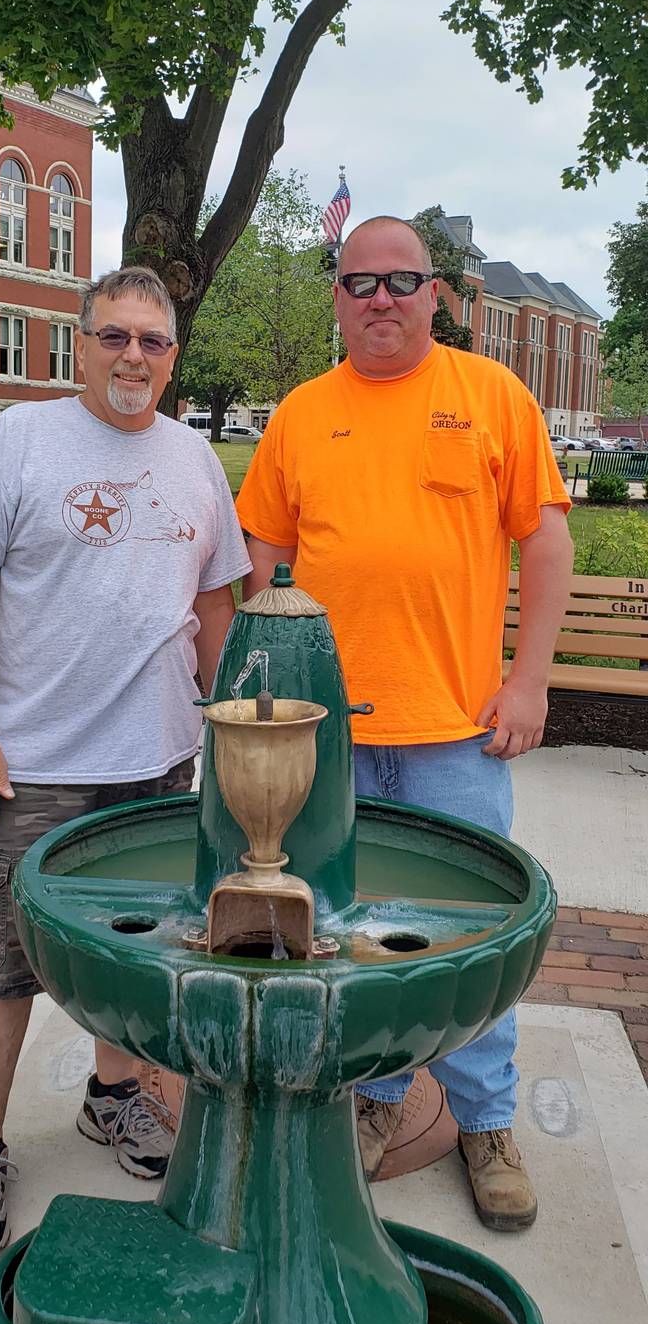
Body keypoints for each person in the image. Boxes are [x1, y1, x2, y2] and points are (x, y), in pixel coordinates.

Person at [236, 215, 573, 1232]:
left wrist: (528, 681)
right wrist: (267, 690)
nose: (378, 298)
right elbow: (261, 556)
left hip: (452, 734)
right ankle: (379, 1095)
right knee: (346, 925)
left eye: (398, 280)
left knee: (468, 936)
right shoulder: (300, 412)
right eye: (357, 282)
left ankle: (485, 1119)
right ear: (335, 298)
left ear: (436, 294)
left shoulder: (491, 397)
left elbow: (546, 545)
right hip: (327, 737)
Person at [0, 266, 251, 1257]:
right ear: (81, 342)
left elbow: (215, 605)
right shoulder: (20, 441)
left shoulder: (195, 457)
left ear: (171, 355)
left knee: (135, 947)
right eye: (114, 335)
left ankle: (114, 1094)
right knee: (1, 959)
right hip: (31, 764)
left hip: (155, 761)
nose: (132, 356)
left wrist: (226, 729)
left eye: (152, 341)